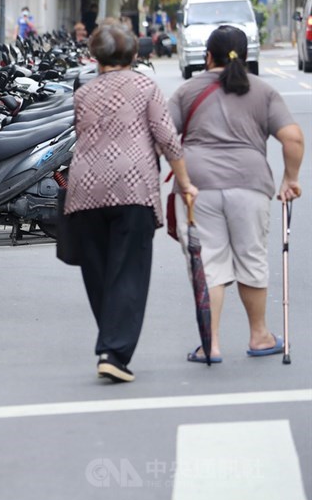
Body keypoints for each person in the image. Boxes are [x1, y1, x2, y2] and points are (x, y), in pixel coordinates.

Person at [64, 23, 198, 383]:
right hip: (132, 189)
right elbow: (168, 138)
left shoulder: (83, 93)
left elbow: (83, 135)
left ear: (96, 56)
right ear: (134, 55)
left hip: (85, 190)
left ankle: (110, 341)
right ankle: (114, 351)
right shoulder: (144, 86)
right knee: (129, 271)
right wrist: (184, 183)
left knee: (99, 272)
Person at [169, 25, 304, 364]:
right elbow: (293, 138)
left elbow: (165, 137)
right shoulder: (263, 90)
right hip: (250, 184)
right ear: (245, 57)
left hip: (197, 187)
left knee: (209, 266)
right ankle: (259, 336)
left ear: (207, 56)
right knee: (252, 259)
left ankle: (209, 344)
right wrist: (290, 179)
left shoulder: (186, 91)